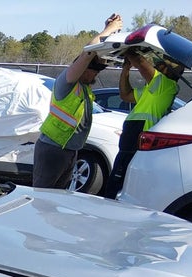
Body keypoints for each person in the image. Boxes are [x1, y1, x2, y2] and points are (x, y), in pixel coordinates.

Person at [32, 13, 124, 189]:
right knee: (42, 195)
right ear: (82, 68)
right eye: (93, 71)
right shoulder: (66, 83)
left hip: (68, 150)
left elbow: (98, 55)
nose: (96, 74)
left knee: (57, 196)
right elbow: (87, 54)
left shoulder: (84, 89)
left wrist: (112, 33)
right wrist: (108, 30)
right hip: (53, 148)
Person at [102, 48, 184, 198]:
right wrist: (125, 69)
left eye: (159, 65)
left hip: (140, 133)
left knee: (119, 180)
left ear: (167, 69)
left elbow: (140, 62)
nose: (156, 66)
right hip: (133, 133)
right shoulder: (154, 89)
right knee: (119, 176)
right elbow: (125, 95)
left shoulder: (165, 84)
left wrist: (128, 50)